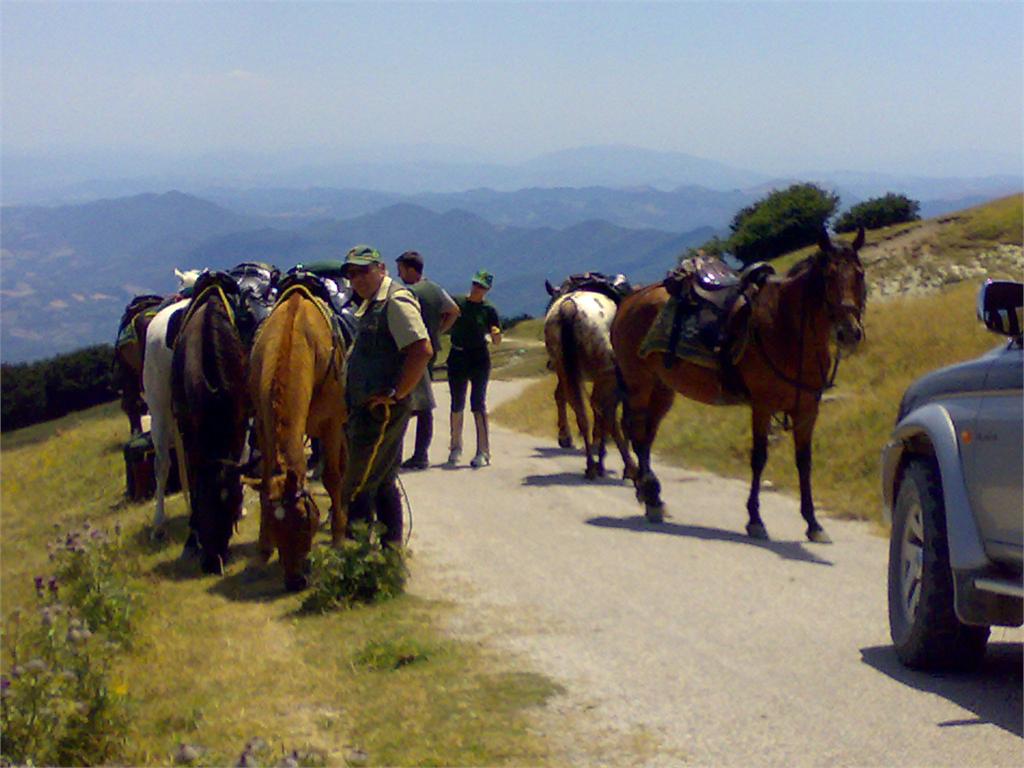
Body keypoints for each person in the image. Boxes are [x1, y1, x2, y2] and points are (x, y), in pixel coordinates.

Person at [338, 245, 432, 547]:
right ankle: (390, 551)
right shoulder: (373, 303)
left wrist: (397, 393)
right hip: (370, 410)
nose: (357, 279)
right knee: (382, 481)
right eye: (352, 274)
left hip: (380, 412)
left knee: (357, 486)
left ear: (381, 269)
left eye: (363, 271)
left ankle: (357, 559)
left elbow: (421, 349)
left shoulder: (395, 301)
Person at [395, 250, 461, 470]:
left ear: (410, 270)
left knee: (402, 402)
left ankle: (395, 456)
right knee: (425, 405)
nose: (399, 274)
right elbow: (454, 310)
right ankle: (421, 454)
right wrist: (438, 331)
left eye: (401, 270)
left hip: (410, 353)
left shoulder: (407, 293)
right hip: (431, 351)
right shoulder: (434, 288)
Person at [446, 270, 501, 468]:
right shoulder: (457, 302)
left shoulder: (489, 309)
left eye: (482, 287)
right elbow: (445, 321)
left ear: (487, 289)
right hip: (457, 354)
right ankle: (455, 446)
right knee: (456, 402)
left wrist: (495, 334)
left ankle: (483, 451)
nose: (477, 289)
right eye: (476, 285)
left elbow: (497, 340)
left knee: (478, 403)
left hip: (479, 357)